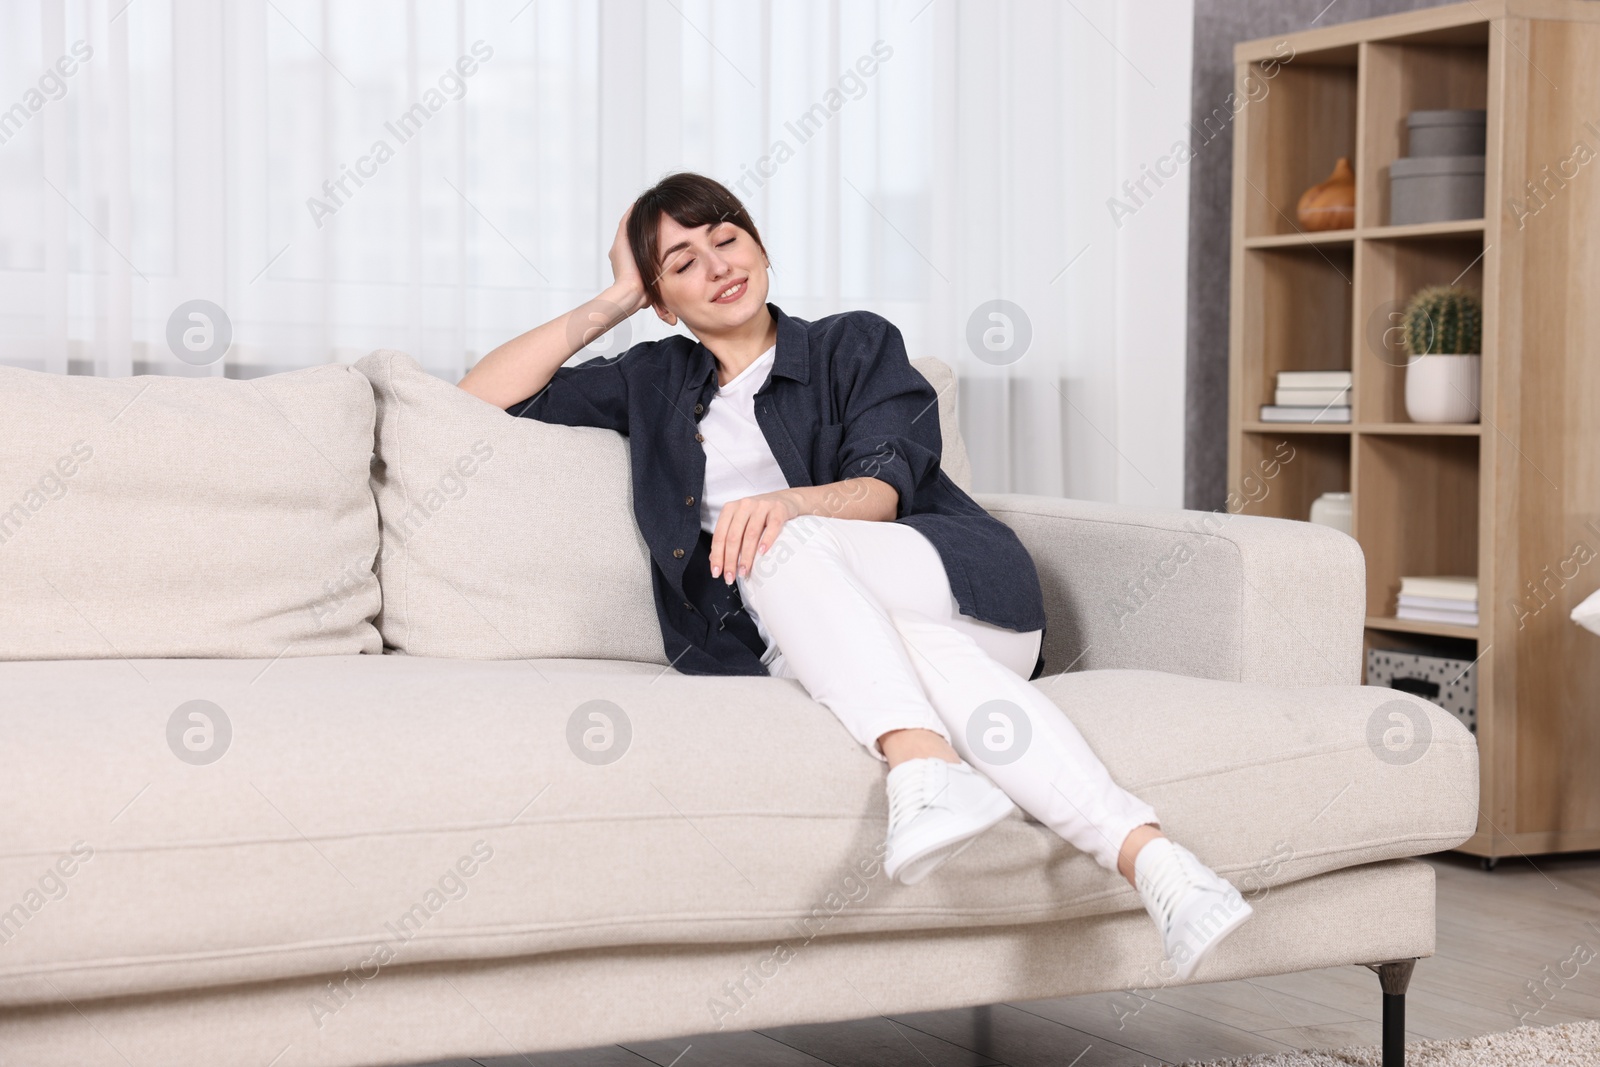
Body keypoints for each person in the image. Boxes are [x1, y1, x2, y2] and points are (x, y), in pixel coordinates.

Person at [457, 172, 1251, 980]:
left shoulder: (853, 343)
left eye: (727, 239)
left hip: (956, 585)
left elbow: (881, 487)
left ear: (760, 246)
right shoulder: (654, 379)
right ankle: (1164, 870)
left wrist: (787, 506)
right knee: (919, 657)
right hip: (820, 633)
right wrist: (618, 297)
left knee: (781, 543)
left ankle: (919, 762)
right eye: (684, 262)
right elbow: (480, 395)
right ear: (662, 299)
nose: (719, 266)